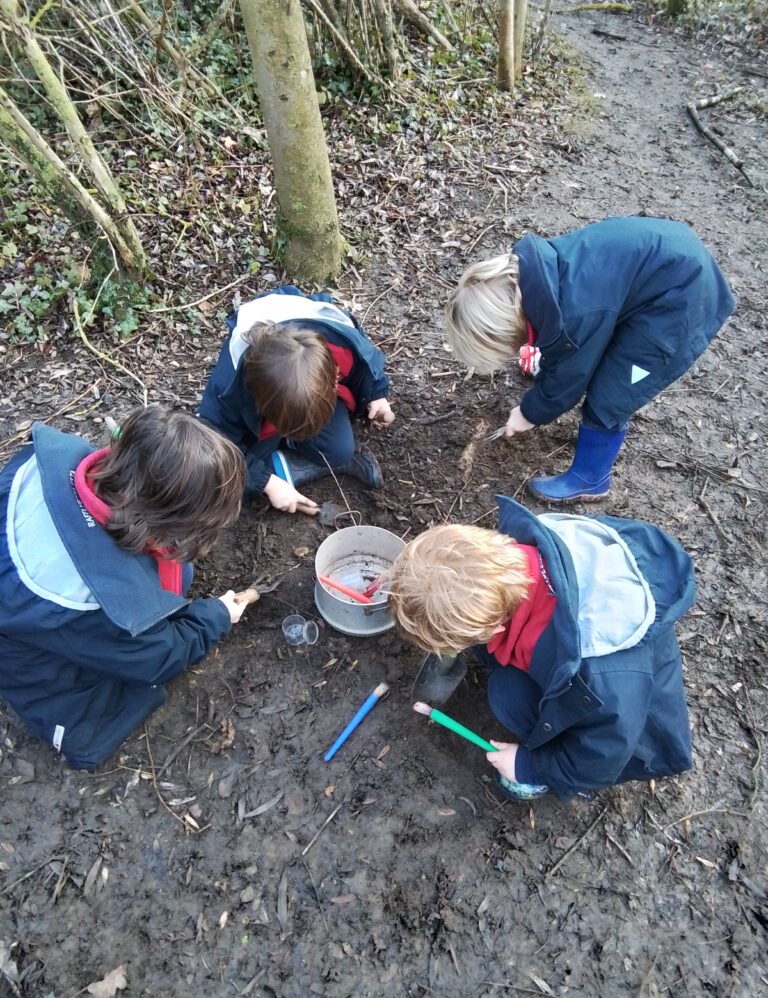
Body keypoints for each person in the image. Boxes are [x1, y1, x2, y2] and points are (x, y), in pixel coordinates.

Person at [388, 495, 696, 801]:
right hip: (591, 676)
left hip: (633, 741)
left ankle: (549, 778)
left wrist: (531, 766)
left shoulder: (599, 681)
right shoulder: (518, 555)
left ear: (494, 627)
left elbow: (603, 756)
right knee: (502, 677)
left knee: (507, 696)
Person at [0, 406, 251, 770]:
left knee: (180, 574)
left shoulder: (67, 465)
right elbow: (160, 656)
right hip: (30, 649)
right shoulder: (93, 604)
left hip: (23, 586)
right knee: (103, 717)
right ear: (161, 524)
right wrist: (215, 616)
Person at [446, 217, 734, 501]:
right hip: (664, 263)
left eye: (510, 345)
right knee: (582, 350)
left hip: (682, 302)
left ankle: (590, 479)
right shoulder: (540, 274)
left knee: (611, 396)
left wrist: (530, 412)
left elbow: (569, 380)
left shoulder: (573, 317)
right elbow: (566, 345)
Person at [199, 285, 395, 514]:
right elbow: (214, 445)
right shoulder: (229, 387)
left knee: (340, 451)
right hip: (259, 426)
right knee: (220, 484)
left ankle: (284, 465)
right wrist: (266, 482)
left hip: (294, 402)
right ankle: (275, 472)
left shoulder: (340, 341)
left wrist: (376, 394)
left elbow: (367, 363)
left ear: (334, 378)